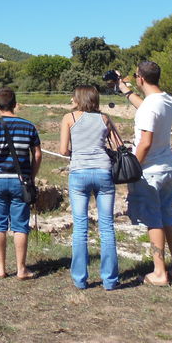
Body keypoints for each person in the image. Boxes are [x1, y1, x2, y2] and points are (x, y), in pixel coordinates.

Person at [117, 61, 172, 286]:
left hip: (150, 172)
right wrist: (125, 90)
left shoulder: (149, 107)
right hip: (167, 168)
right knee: (168, 217)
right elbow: (146, 106)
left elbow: (145, 143)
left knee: (153, 220)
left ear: (141, 78)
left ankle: (159, 272)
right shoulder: (165, 99)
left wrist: (133, 168)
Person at [0, 87, 42, 279]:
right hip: (20, 180)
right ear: (15, 104)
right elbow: (37, 154)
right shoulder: (29, 126)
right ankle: (22, 269)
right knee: (20, 225)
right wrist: (32, 176)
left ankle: (1, 268)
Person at [59, 85, 119, 290]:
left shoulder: (70, 118)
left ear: (79, 99)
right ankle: (110, 280)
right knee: (107, 226)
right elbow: (118, 145)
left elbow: (63, 150)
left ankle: (80, 278)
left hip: (79, 172)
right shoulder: (105, 118)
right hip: (103, 171)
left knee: (80, 227)